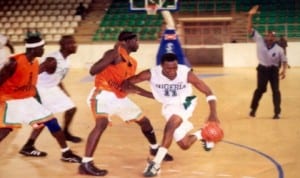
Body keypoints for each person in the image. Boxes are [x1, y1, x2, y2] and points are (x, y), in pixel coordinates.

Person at [78, 31, 173, 176]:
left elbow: (127, 86)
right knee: (101, 124)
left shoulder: (132, 62)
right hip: (102, 94)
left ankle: (154, 148)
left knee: (145, 122)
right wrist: (110, 56)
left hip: (120, 97)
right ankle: (86, 163)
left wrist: (156, 96)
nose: (138, 43)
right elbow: (93, 70)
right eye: (136, 40)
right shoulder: (115, 53)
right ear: (125, 42)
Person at [122, 53, 219, 177]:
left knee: (171, 125)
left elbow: (208, 91)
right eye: (169, 69)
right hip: (169, 105)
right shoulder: (150, 74)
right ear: (161, 66)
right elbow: (126, 83)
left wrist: (213, 114)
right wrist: (141, 92)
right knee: (184, 144)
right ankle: (203, 133)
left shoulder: (186, 74)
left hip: (186, 101)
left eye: (175, 68)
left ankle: (155, 164)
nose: (173, 71)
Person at [0, 36, 82, 163]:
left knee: (51, 121)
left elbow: (33, 78)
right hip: (10, 100)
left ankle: (66, 153)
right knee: (4, 131)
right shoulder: (14, 62)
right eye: (42, 48)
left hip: (27, 99)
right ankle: (30, 147)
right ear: (35, 49)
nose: (44, 50)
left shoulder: (35, 62)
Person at [247, 5, 288, 119]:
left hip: (273, 70)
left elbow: (284, 61)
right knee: (260, 90)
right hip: (262, 69)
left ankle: (277, 112)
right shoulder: (259, 40)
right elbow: (250, 29)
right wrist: (250, 16)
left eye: (272, 36)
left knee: (276, 90)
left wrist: (284, 71)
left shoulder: (279, 49)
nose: (270, 37)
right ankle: (253, 109)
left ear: (274, 39)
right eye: (268, 35)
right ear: (265, 36)